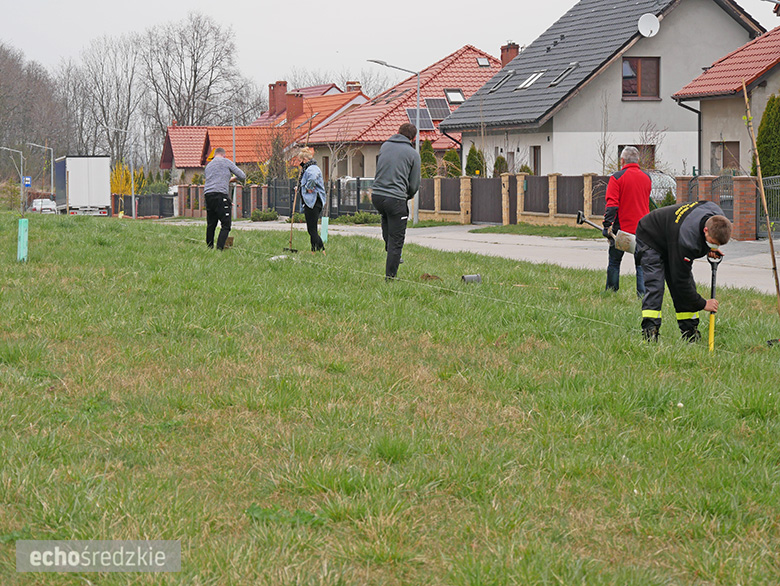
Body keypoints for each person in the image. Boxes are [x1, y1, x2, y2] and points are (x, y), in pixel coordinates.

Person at [635, 200, 732, 342]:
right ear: (705, 230)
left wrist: (710, 248)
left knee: (683, 287)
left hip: (672, 234)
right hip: (651, 236)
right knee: (656, 286)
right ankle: (650, 332)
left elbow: (683, 284)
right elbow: (681, 282)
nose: (715, 246)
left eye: (718, 245)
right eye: (713, 243)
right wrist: (703, 304)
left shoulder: (717, 216)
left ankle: (690, 332)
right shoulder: (687, 240)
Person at [371, 123, 421, 279]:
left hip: (377, 196)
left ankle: (390, 250)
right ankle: (390, 277)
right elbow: (414, 184)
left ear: (397, 132)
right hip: (396, 198)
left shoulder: (385, 146)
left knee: (386, 218)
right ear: (413, 138)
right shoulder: (413, 154)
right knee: (396, 240)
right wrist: (407, 195)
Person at [602, 146, 651, 297]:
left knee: (614, 262)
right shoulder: (647, 178)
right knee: (641, 264)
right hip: (643, 229)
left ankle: (611, 292)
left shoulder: (617, 178)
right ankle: (642, 296)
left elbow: (612, 205)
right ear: (638, 160)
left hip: (622, 229)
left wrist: (607, 225)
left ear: (622, 160)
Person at [204, 147, 245, 250]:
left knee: (211, 224)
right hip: (220, 194)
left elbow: (214, 180)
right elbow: (242, 176)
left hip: (208, 195)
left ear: (214, 155)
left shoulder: (208, 166)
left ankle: (209, 248)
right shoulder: (226, 162)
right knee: (226, 225)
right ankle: (219, 249)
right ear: (224, 155)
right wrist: (233, 179)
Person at [298, 147, 326, 252]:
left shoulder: (312, 168)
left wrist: (308, 187)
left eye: (300, 160)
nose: (300, 163)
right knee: (311, 229)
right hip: (311, 202)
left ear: (304, 159)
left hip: (313, 202)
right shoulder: (309, 168)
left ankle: (322, 249)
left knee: (312, 229)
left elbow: (313, 177)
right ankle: (314, 250)